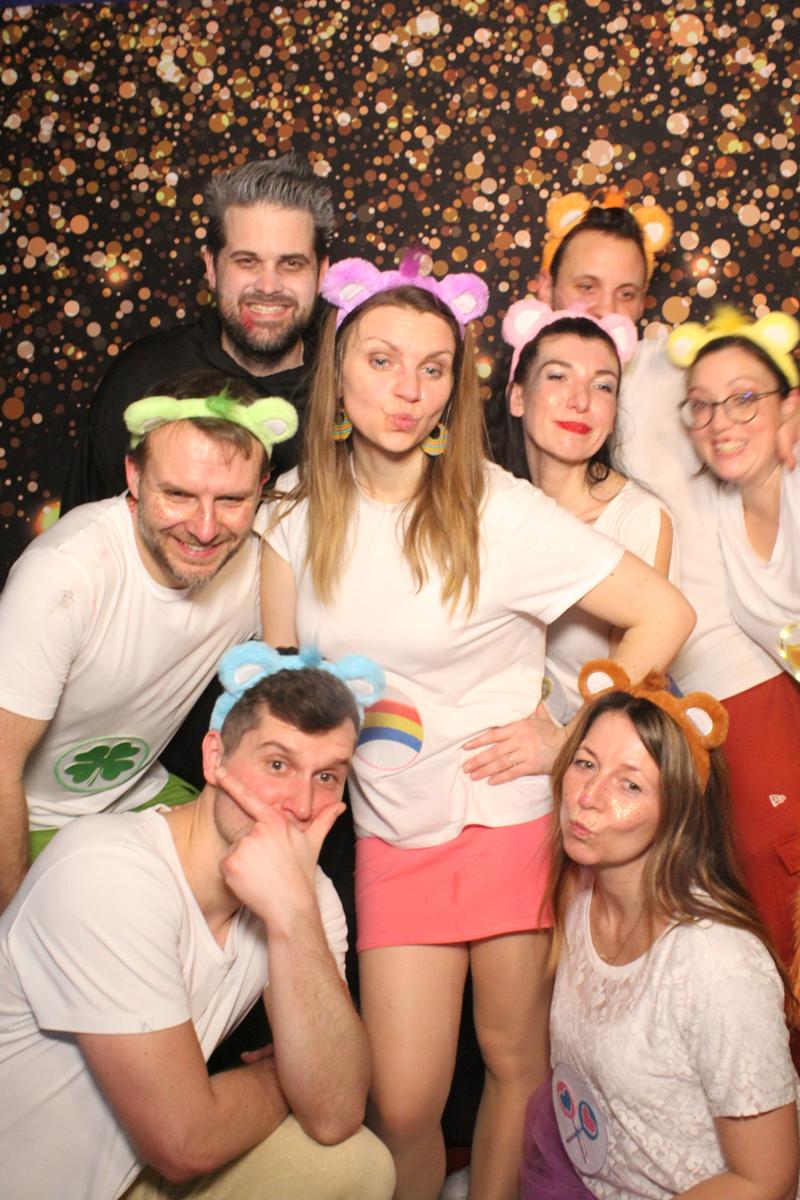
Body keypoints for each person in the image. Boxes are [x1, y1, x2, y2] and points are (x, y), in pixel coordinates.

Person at [260, 252, 695, 1200]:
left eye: (432, 368)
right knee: (404, 1102)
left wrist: (571, 737)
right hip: (390, 828)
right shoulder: (293, 515)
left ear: (455, 388)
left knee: (515, 1062)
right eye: (382, 361)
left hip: (504, 819)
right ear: (338, 370)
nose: (407, 390)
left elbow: (665, 614)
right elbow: (282, 704)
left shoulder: (497, 507)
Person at [0, 642, 396, 1200]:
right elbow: (184, 1141)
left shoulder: (304, 893)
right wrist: (281, 1077)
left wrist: (293, 915)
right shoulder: (106, 870)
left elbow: (335, 1113)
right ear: (214, 758)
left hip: (134, 1174)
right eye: (278, 765)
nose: (303, 805)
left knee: (358, 1163)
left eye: (327, 777)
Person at [530, 191, 800, 995]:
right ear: (545, 290)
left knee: (769, 883)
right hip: (619, 702)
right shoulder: (538, 391)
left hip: (728, 672)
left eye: (626, 294)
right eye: (586, 289)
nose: (606, 311)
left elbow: (752, 406)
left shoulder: (670, 369)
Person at [0, 374, 297, 910]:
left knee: (283, 889)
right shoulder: (65, 576)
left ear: (261, 487)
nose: (204, 529)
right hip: (36, 819)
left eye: (231, 499)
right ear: (134, 475)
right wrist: (17, 927)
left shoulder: (261, 562)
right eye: (178, 494)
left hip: (141, 796)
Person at [521, 659, 799, 1200]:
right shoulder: (582, 896)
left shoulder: (718, 965)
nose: (588, 795)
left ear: (678, 812)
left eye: (629, 784)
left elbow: (767, 1179)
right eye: (584, 763)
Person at [61, 151, 335, 511]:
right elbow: (87, 530)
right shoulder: (144, 375)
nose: (268, 286)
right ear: (211, 267)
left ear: (322, 273)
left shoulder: (348, 388)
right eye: (246, 261)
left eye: (292, 264)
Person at [666, 309, 800, 979]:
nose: (722, 421)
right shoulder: (723, 504)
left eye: (745, 398)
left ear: (789, 407)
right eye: (703, 405)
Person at [501, 298, 676, 721]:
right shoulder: (491, 504)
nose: (580, 400)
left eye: (602, 386)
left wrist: (561, 744)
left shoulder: (637, 519)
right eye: (558, 376)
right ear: (518, 397)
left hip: (581, 741)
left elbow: (625, 700)